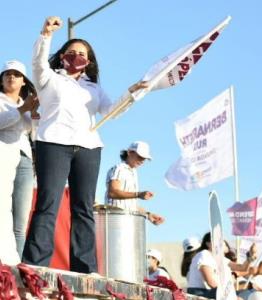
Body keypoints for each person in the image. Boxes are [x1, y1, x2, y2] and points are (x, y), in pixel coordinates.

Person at [22, 16, 147, 273]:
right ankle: (35, 264)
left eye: (82, 53)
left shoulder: (94, 88)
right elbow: (37, 61)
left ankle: (84, 268)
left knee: (83, 208)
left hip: (88, 147)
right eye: (72, 52)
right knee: (48, 203)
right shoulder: (48, 77)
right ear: (63, 55)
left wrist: (132, 93)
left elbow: (112, 110)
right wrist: (46, 34)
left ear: (88, 61)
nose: (77, 56)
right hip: (53, 143)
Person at [0, 60, 38, 263]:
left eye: (16, 74)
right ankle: (5, 264)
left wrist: (34, 113)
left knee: (20, 220)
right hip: (3, 155)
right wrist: (23, 109)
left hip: (24, 159)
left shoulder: (26, 103)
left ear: (24, 81)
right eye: (7, 73)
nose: (11, 77)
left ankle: (20, 269)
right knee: (2, 210)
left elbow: (34, 134)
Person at [105, 141, 165, 225]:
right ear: (129, 152)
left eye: (144, 158)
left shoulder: (133, 172)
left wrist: (148, 214)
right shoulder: (119, 169)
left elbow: (130, 205)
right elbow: (112, 192)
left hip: (128, 221)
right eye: (140, 156)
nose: (142, 161)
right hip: (115, 221)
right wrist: (138, 194)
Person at [187, 232, 254, 299]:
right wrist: (229, 296)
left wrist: (250, 257)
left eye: (221, 240)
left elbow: (242, 268)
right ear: (208, 244)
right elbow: (210, 281)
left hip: (212, 291)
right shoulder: (204, 254)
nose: (221, 243)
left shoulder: (221, 258)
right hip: (198, 293)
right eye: (217, 240)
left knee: (247, 294)